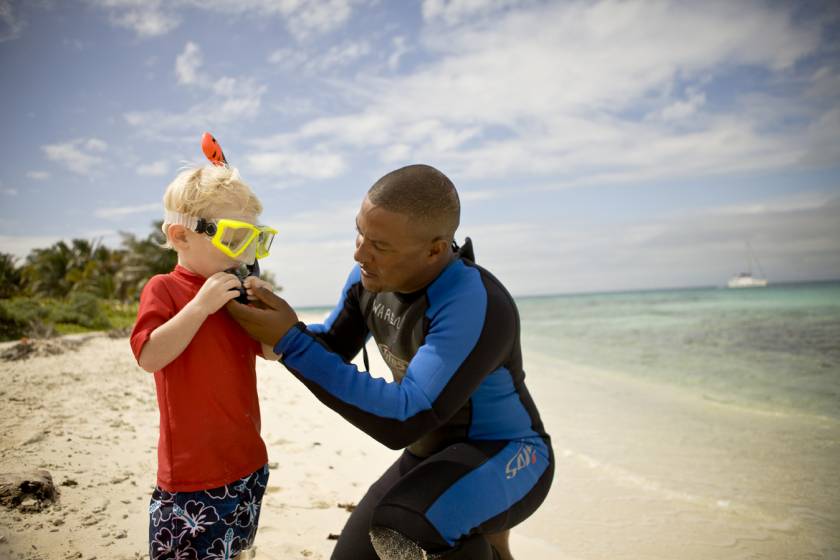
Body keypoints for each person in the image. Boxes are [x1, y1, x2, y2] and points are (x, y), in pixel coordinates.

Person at [228, 164, 554, 560]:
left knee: (407, 531)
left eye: (380, 245)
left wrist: (290, 340)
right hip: (429, 456)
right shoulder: (368, 277)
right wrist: (275, 322)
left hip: (507, 456)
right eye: (359, 232)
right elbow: (331, 345)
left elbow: (406, 417)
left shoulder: (473, 301)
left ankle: (484, 538)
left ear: (435, 249)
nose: (360, 252)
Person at [130, 165, 279, 560]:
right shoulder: (165, 289)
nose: (245, 253)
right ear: (180, 234)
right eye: (234, 238)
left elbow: (272, 351)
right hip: (194, 477)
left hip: (248, 463)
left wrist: (271, 313)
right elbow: (148, 356)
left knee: (236, 552)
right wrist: (199, 307)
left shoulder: (234, 295)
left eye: (253, 240)